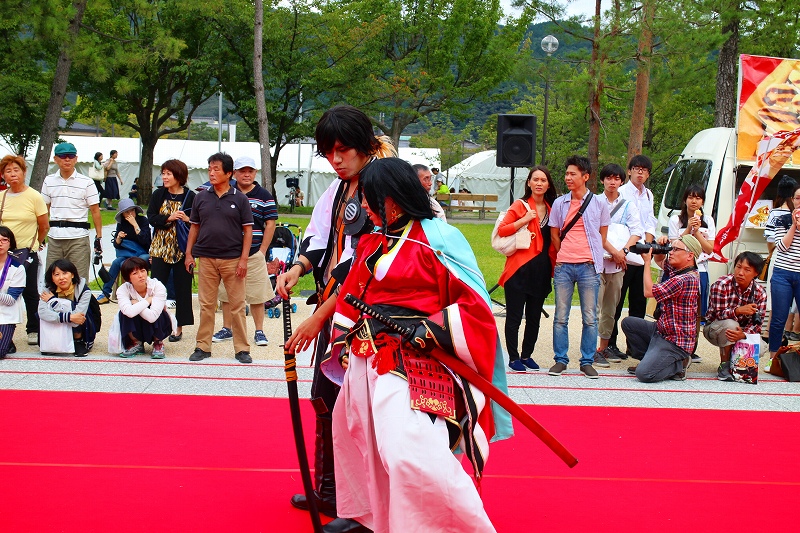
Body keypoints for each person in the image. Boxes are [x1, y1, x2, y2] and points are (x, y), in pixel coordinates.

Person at [327, 156, 512, 533]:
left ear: (392, 198)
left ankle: (462, 527)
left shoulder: (439, 237)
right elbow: (352, 294)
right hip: (368, 359)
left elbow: (475, 308)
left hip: (415, 363)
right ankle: (384, 523)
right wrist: (342, 338)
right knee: (361, 439)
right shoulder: (373, 240)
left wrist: (431, 328)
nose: (363, 205)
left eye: (369, 197)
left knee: (409, 452)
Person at [275, 105, 395, 532]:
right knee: (325, 399)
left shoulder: (382, 187)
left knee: (359, 409)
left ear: (364, 147)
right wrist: (298, 268)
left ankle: (363, 510)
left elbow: (363, 267)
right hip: (335, 311)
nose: (336, 160)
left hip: (370, 321)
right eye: (328, 153)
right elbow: (319, 236)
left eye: (343, 150)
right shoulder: (340, 188)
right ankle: (329, 491)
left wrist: (318, 319)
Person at [185, 152, 253, 364]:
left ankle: (242, 349)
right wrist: (189, 253)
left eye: (216, 169)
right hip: (206, 257)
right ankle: (202, 346)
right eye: (210, 169)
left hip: (233, 259)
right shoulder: (201, 197)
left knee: (237, 305)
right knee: (206, 304)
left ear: (229, 173)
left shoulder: (240, 198)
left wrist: (243, 259)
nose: (212, 173)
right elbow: (194, 227)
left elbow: (248, 231)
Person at [548, 155, 611, 379]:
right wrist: (565, 252)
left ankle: (587, 360)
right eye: (566, 173)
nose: (568, 177)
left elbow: (602, 235)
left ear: (586, 177)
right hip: (564, 265)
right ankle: (560, 359)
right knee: (560, 316)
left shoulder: (599, 203)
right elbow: (554, 233)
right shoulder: (559, 203)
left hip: (588, 266)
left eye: (573, 174)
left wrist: (590, 257)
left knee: (590, 316)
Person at [211, 156, 277, 348]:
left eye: (250, 171)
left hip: (255, 251)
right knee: (226, 293)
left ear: (255, 173)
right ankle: (227, 328)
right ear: (234, 173)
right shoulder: (226, 191)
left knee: (257, 294)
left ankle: (259, 330)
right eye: (242, 171)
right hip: (229, 252)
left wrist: (263, 250)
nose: (246, 174)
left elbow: (270, 224)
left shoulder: (264, 195)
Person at [497, 165, 557, 372]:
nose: (539, 183)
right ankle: (513, 357)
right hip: (518, 270)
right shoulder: (520, 205)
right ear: (529, 183)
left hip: (541, 271)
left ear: (548, 184)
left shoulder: (552, 208)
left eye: (543, 180)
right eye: (536, 179)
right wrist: (524, 219)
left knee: (534, 317)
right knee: (514, 316)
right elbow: (503, 230)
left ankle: (527, 355)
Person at [621, 235, 702, 383]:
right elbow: (660, 261)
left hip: (675, 341)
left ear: (690, 255)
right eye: (671, 248)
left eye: (676, 249)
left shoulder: (686, 279)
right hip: (662, 331)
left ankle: (679, 364)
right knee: (629, 323)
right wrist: (659, 247)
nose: (671, 252)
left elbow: (648, 292)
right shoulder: (681, 270)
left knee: (644, 374)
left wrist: (646, 262)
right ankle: (652, 360)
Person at [608, 154, 657, 360]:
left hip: (642, 255)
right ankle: (609, 343)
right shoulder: (622, 192)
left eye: (644, 170)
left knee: (638, 304)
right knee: (616, 303)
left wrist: (648, 242)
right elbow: (616, 222)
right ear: (629, 171)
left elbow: (650, 221)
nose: (640, 173)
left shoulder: (648, 194)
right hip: (624, 255)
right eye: (637, 168)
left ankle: (635, 346)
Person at [595, 164, 643, 366]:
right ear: (602, 180)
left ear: (621, 181)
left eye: (616, 178)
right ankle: (590, 349)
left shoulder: (628, 205)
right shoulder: (595, 202)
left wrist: (622, 252)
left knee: (610, 308)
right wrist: (615, 252)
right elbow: (593, 231)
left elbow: (636, 231)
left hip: (618, 264)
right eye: (608, 178)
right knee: (593, 308)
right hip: (597, 262)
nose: (612, 182)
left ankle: (603, 348)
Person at [0, 155, 48, 346]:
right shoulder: (2, 196)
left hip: (26, 252)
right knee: (5, 290)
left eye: (16, 170)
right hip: (4, 252)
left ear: (24, 172)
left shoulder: (34, 196)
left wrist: (35, 244)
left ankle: (33, 329)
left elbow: (43, 225)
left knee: (29, 291)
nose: (13, 174)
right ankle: (5, 329)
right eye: (8, 171)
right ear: (3, 175)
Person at [148, 159, 195, 342]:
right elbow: (151, 217)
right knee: (156, 287)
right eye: (163, 173)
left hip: (182, 249)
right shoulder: (158, 194)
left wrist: (186, 219)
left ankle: (179, 327)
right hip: (160, 248)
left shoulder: (191, 196)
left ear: (179, 176)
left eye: (169, 173)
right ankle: (157, 323)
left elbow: (198, 222)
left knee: (183, 288)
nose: (164, 177)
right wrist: (168, 218)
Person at [41, 142, 103, 283]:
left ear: (76, 159)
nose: (67, 159)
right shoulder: (48, 181)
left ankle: (80, 305)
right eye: (63, 156)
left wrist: (98, 238)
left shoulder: (86, 182)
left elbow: (95, 211)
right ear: (56, 159)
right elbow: (45, 210)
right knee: (52, 280)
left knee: (79, 280)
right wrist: (41, 234)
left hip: (78, 238)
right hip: (55, 237)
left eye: (70, 156)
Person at [704, 252, 767, 381]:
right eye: (738, 267)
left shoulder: (760, 292)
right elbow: (719, 314)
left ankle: (737, 365)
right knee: (731, 324)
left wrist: (743, 334)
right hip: (715, 328)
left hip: (740, 332)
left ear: (756, 273)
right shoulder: (722, 284)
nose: (740, 272)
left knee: (761, 347)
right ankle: (724, 365)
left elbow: (758, 324)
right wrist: (738, 311)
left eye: (747, 269)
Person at [668, 184, 716, 319]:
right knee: (677, 305)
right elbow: (675, 245)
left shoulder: (708, 220)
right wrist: (688, 228)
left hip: (700, 268)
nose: (694, 201)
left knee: (698, 307)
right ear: (685, 200)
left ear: (703, 202)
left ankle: (694, 334)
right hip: (679, 269)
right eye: (690, 197)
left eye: (698, 198)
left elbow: (709, 248)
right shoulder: (675, 220)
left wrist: (697, 231)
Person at [38, 258, 98, 356]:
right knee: (43, 312)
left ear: (72, 274)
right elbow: (42, 313)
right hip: (61, 324)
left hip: (80, 327)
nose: (61, 278)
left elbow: (78, 319)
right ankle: (54, 341)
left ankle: (78, 340)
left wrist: (53, 301)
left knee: (75, 307)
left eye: (65, 273)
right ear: (52, 278)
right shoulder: (47, 289)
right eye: (56, 274)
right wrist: (69, 317)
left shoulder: (84, 290)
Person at [768, 183, 800, 361]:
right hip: (782, 273)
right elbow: (781, 246)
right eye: (797, 198)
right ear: (792, 200)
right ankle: (773, 357)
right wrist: (794, 225)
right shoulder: (783, 219)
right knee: (779, 317)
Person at [116, 257, 172, 359]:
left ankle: (158, 342)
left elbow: (153, 317)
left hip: (157, 321)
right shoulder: (123, 289)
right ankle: (136, 342)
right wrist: (146, 301)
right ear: (128, 278)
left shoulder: (157, 286)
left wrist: (136, 303)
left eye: (143, 271)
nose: (141, 276)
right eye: (135, 273)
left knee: (158, 311)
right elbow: (128, 312)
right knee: (123, 313)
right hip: (137, 321)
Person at [97, 199, 152, 304]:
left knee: (140, 260)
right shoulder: (121, 224)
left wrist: (135, 225)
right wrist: (118, 238)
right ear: (122, 214)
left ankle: (137, 294)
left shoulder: (143, 221)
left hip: (141, 253)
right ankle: (105, 293)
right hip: (127, 254)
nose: (130, 214)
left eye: (132, 211)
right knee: (117, 262)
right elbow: (116, 245)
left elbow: (146, 242)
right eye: (127, 212)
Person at [0, 226, 27, 359]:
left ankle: (6, 339)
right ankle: (7, 340)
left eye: (4, 240)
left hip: (6, 315)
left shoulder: (17, 268)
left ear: (10, 243)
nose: (0, 243)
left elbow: (11, 300)